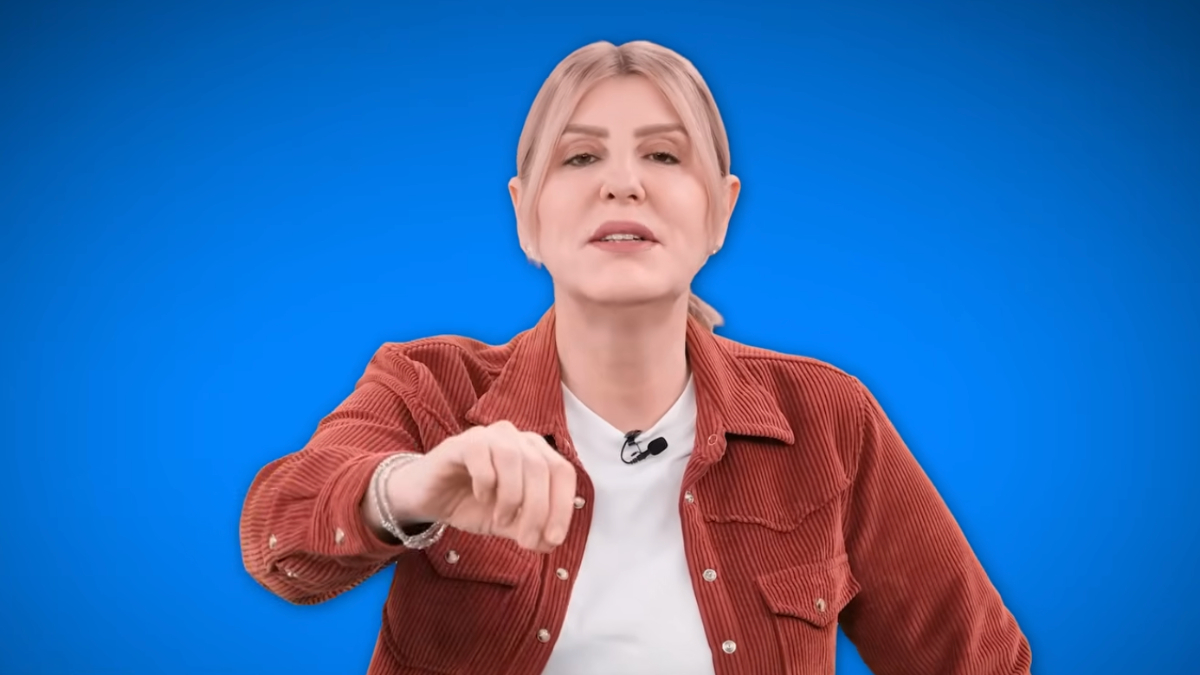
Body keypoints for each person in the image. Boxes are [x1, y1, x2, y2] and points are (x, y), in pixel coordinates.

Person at [239, 39, 1032, 675]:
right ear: (526, 216)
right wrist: (411, 487)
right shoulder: (428, 386)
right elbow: (279, 537)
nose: (623, 183)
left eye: (664, 156)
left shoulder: (830, 419)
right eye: (580, 158)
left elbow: (981, 661)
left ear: (720, 211)